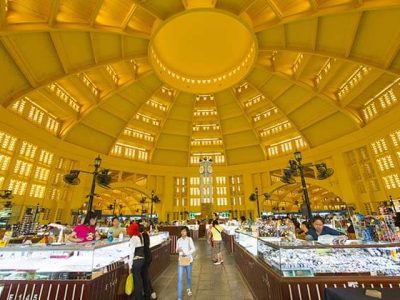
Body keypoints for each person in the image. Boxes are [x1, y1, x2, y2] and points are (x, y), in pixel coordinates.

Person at [176, 226, 195, 300]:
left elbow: (193, 248)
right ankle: (179, 297)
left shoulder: (189, 239)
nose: (182, 232)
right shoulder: (178, 240)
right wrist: (178, 250)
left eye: (184, 231)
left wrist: (186, 253)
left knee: (189, 276)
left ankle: (188, 288)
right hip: (181, 260)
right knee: (180, 278)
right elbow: (176, 250)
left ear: (187, 232)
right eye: (182, 231)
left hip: (188, 259)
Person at [127, 222, 145, 300]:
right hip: (142, 259)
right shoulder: (140, 236)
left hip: (136, 261)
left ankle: (138, 297)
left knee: (136, 280)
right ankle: (141, 295)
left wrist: (129, 266)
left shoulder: (134, 238)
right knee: (139, 278)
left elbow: (131, 253)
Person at [140, 224, 157, 300]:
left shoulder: (140, 236)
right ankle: (150, 292)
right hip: (148, 256)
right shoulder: (146, 234)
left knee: (145, 276)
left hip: (144, 258)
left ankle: (149, 293)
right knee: (145, 275)